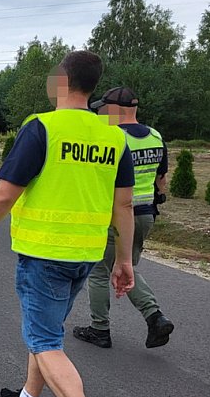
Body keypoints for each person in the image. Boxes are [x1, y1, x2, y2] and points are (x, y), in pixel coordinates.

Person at [0, 51, 136, 397]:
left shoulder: (41, 127)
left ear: (61, 80)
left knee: (44, 340)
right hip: (85, 255)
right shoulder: (114, 137)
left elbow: (6, 192)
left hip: (44, 255)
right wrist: (123, 260)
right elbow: (124, 206)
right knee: (47, 330)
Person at [74, 87, 174, 349]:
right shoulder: (155, 136)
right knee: (125, 265)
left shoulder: (112, 137)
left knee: (99, 270)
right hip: (145, 216)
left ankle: (104, 328)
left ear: (115, 109)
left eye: (104, 108)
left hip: (115, 215)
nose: (101, 113)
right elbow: (161, 179)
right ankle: (153, 317)